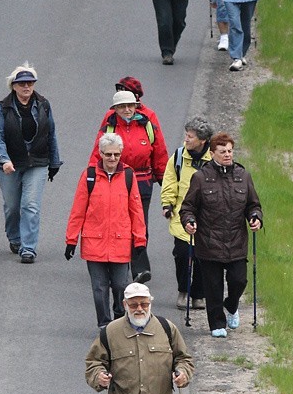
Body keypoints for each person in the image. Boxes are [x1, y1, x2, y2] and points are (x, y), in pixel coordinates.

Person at [180, 132, 262, 337]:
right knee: (213, 286)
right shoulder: (200, 178)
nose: (227, 155)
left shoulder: (243, 176)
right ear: (212, 153)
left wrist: (255, 217)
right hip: (209, 242)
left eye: (230, 151)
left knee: (238, 280)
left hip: (236, 241)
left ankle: (231, 306)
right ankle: (217, 323)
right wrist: (189, 222)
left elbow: (253, 205)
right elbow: (187, 207)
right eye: (222, 151)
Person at [66, 134, 147, 328]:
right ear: (100, 154)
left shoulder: (128, 175)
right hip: (94, 241)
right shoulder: (89, 175)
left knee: (120, 285)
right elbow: (78, 209)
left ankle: (119, 318)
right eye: (108, 154)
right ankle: (104, 324)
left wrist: (140, 241)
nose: (112, 158)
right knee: (99, 288)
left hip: (120, 242)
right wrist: (71, 240)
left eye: (116, 154)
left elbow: (136, 210)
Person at [89, 89, 168, 281]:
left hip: (142, 183)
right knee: (120, 225)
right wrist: (92, 178)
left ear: (136, 106)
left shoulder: (147, 125)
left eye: (130, 105)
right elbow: (98, 153)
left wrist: (164, 179)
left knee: (141, 226)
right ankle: (120, 267)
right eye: (122, 106)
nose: (127, 109)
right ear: (115, 109)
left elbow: (159, 151)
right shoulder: (109, 127)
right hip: (116, 183)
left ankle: (139, 270)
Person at [0, 63, 62, 263]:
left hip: (37, 162)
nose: (26, 87)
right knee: (12, 206)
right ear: (13, 86)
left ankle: (28, 248)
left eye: (30, 83)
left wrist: (54, 161)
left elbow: (51, 133)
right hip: (11, 165)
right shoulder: (3, 108)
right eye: (22, 83)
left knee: (30, 205)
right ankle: (15, 238)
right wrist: (4, 160)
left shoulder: (44, 105)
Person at [160, 116, 214, 310]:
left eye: (190, 136)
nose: (186, 139)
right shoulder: (178, 157)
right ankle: (184, 290)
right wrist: (167, 204)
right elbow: (169, 181)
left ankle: (199, 294)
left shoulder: (214, 159)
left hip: (208, 219)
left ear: (202, 140)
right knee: (182, 255)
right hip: (182, 216)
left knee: (202, 258)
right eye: (186, 135)